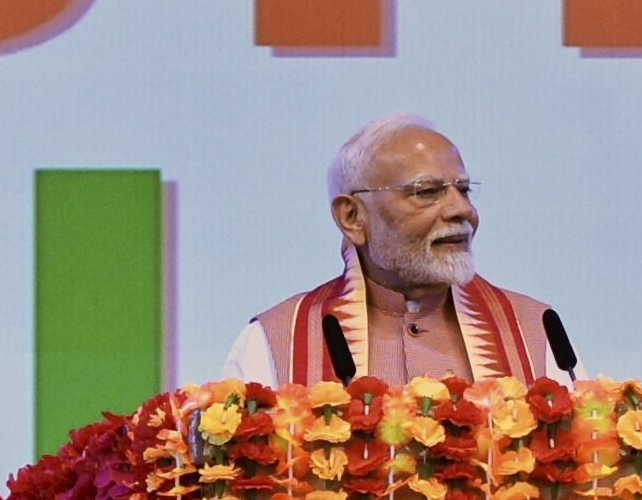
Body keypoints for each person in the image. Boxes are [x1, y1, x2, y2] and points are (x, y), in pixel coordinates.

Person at [221, 114, 562, 387]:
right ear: (351, 217)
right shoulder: (274, 340)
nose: (461, 210)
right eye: (427, 191)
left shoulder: (538, 331)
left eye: (464, 189)